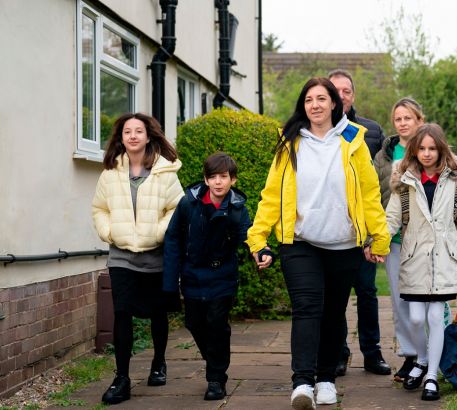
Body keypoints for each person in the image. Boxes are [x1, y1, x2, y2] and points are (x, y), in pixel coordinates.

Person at [246, 77, 390, 410]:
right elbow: (272, 194)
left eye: (322, 98)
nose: (315, 104)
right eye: (309, 99)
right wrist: (258, 236)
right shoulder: (289, 141)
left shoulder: (354, 139)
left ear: (334, 104)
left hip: (344, 245)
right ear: (303, 105)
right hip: (300, 243)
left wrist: (378, 237)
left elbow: (369, 194)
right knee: (307, 309)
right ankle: (302, 383)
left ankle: (326, 379)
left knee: (333, 313)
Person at [92, 112, 184, 405]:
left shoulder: (165, 172)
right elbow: (99, 208)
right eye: (127, 132)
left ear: (148, 136)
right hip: (121, 256)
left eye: (138, 131)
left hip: (154, 255)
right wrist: (110, 232)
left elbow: (176, 209)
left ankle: (158, 362)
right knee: (122, 312)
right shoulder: (109, 173)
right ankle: (122, 378)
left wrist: (158, 232)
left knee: (157, 312)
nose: (133, 136)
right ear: (121, 138)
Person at [385, 123, 457, 401]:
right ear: (414, 150)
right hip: (414, 258)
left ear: (441, 149)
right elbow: (391, 217)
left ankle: (431, 376)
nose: (427, 154)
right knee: (414, 318)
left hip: (445, 259)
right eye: (422, 148)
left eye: (432, 148)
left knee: (436, 317)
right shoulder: (404, 179)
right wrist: (376, 242)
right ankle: (423, 358)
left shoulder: (456, 180)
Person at [162, 152, 251, 401]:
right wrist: (170, 282)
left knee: (217, 324)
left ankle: (216, 379)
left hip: (222, 275)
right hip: (192, 275)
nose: (218, 182)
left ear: (233, 180)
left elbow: (248, 236)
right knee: (194, 323)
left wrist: (260, 252)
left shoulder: (237, 208)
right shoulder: (188, 204)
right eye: (213, 177)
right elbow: (173, 239)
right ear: (206, 179)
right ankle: (215, 359)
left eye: (224, 177)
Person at [327, 69, 390, 376]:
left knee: (366, 292)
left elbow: (376, 182)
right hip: (330, 229)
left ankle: (372, 353)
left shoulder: (372, 130)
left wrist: (375, 232)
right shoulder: (315, 130)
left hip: (362, 230)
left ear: (353, 95)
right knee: (336, 297)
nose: (342, 95)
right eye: (335, 90)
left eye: (347, 91)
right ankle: (339, 353)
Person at [373, 97, 426, 382]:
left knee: (426, 300)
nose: (403, 123)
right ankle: (410, 355)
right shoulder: (384, 155)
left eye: (408, 118)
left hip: (423, 239)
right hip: (392, 237)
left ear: (419, 120)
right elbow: (373, 194)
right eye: (398, 118)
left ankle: (430, 354)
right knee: (399, 299)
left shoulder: (429, 149)